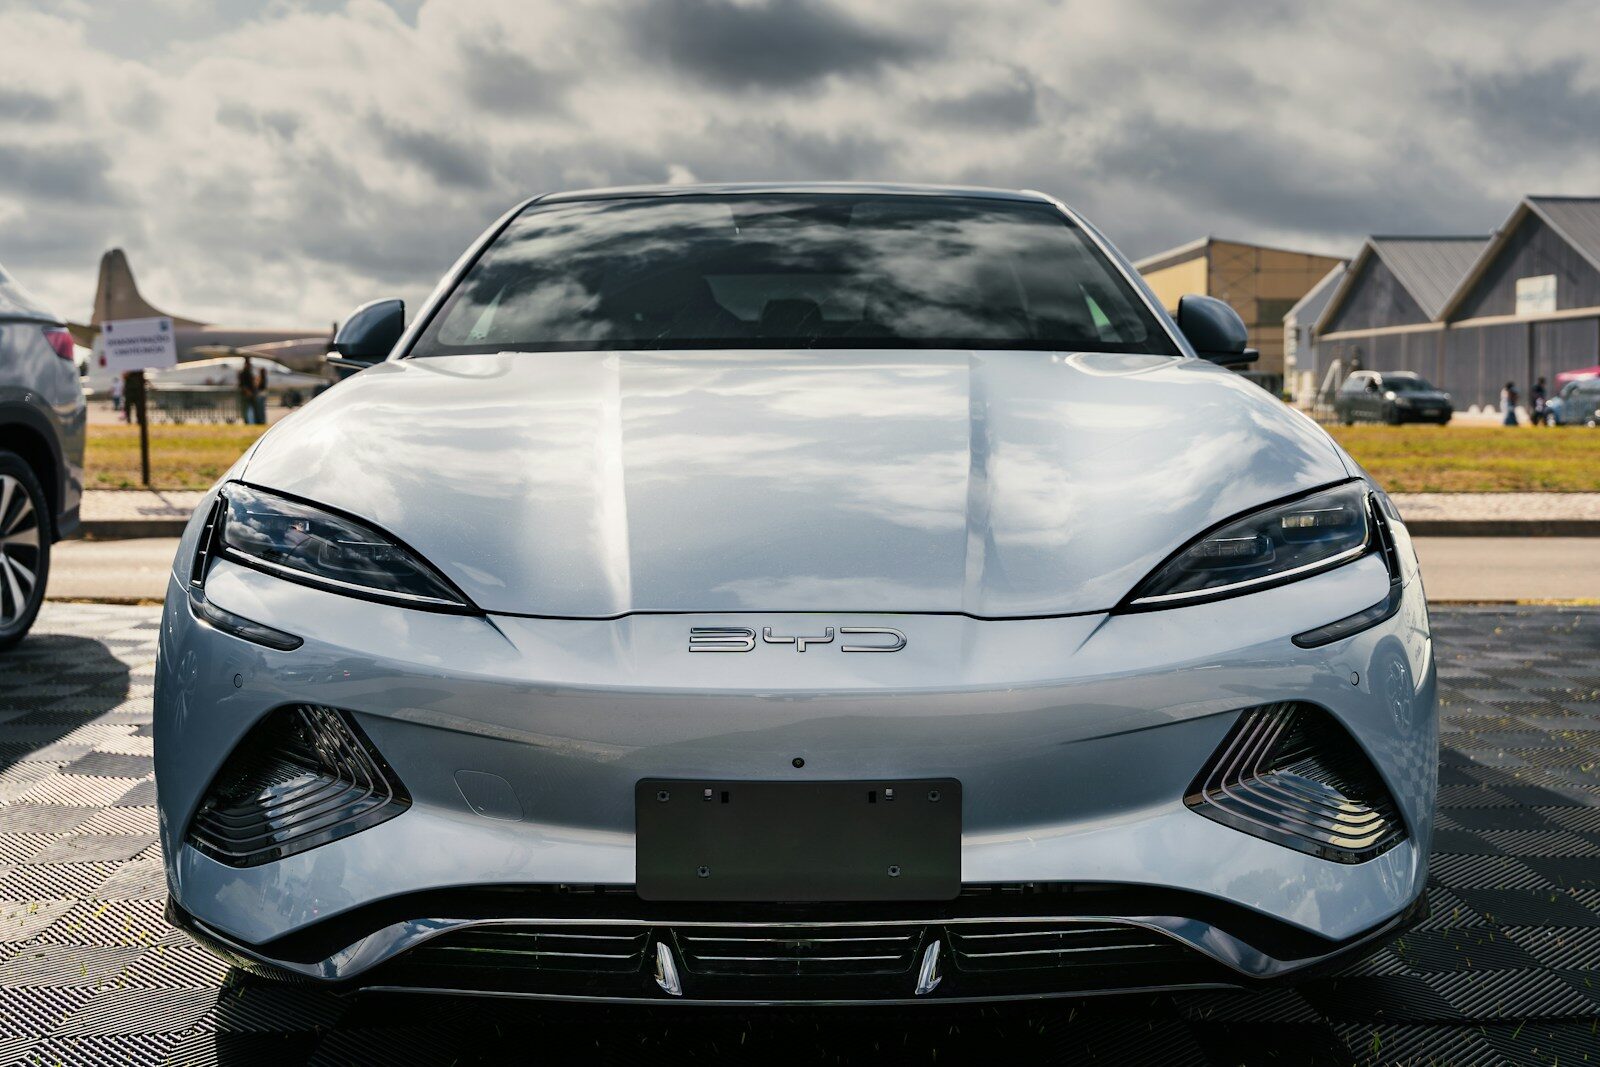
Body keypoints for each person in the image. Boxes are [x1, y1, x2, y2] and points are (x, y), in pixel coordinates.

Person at [237, 356, 257, 424]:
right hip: (246, 394)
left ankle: (250, 422)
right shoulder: (244, 373)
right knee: (246, 409)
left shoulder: (249, 372)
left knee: (250, 409)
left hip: (250, 394)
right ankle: (247, 422)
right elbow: (243, 384)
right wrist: (248, 392)